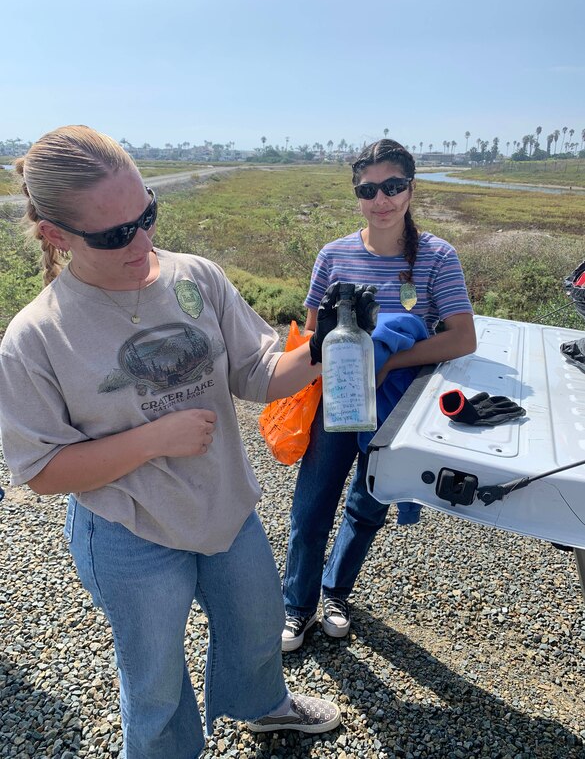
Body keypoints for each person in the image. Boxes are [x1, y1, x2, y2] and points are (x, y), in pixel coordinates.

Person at [0, 125, 359, 758]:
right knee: (156, 680)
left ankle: (264, 706)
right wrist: (153, 439)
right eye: (115, 235)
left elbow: (258, 373)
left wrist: (324, 347)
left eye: (147, 216)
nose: (142, 242)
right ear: (56, 235)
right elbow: (43, 471)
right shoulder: (36, 337)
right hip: (129, 531)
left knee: (256, 625)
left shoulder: (197, 277)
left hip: (224, 503)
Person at [282, 138, 477, 651]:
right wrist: (336, 342)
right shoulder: (333, 255)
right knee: (311, 508)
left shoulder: (437, 257)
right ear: (357, 195)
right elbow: (311, 334)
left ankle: (335, 594)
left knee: (367, 507)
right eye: (369, 190)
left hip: (396, 407)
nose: (381, 199)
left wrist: (386, 360)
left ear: (411, 189)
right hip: (336, 400)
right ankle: (296, 606)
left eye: (392, 186)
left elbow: (462, 337)